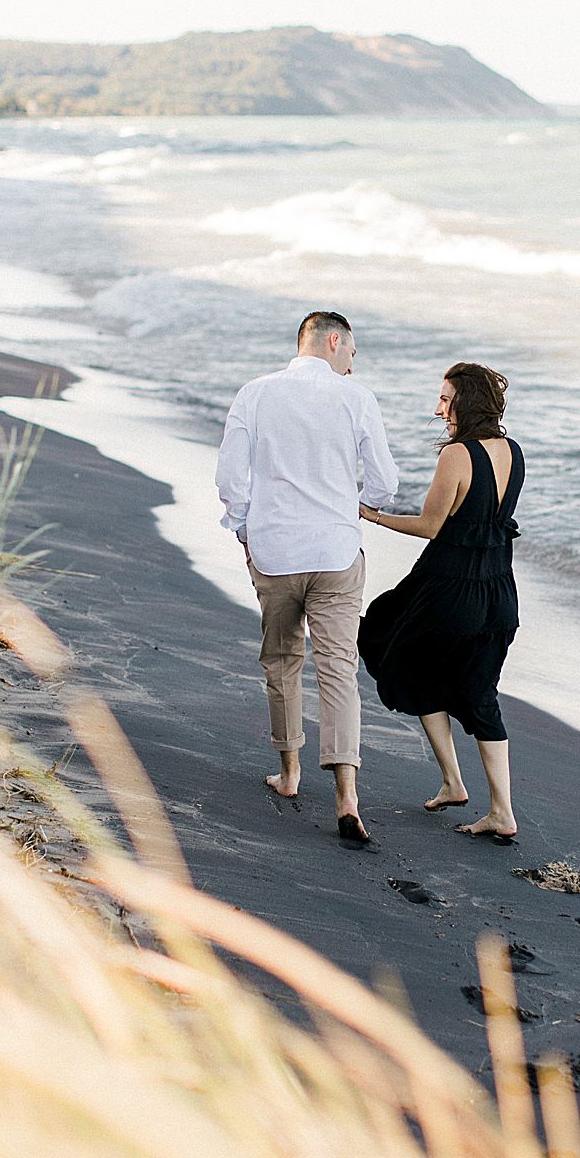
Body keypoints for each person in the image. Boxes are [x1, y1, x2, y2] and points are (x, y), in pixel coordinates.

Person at [216, 310, 398, 844]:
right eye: (352, 352)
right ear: (334, 341)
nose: (352, 362)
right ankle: (346, 796)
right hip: (336, 552)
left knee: (281, 660)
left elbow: (231, 476)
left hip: (274, 551)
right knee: (339, 667)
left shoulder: (255, 393)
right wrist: (359, 508)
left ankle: (291, 773)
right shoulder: (355, 396)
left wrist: (246, 527)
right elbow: (384, 479)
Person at [358, 362, 523, 844]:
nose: (438, 409)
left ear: (466, 402)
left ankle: (460, 784)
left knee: (387, 639)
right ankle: (494, 806)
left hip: (448, 588)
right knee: (479, 692)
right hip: (498, 592)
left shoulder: (458, 455)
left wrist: (374, 516)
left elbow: (432, 526)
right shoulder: (513, 451)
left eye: (446, 399)